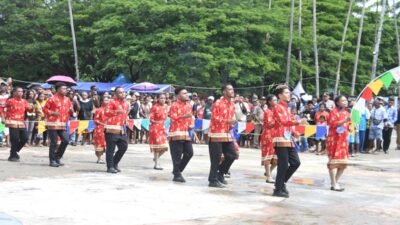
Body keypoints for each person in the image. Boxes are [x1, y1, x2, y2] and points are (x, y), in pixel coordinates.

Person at [272, 85, 307, 198]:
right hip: (279, 138)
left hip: (288, 139)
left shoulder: (287, 108)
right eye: (286, 93)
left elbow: (289, 122)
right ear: (280, 95)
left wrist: (294, 132)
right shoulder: (277, 107)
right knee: (283, 164)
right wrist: (298, 122)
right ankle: (278, 188)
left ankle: (281, 183)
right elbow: (283, 121)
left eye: (289, 93)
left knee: (296, 162)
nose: (289, 95)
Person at [208, 84, 236, 188]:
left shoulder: (232, 104)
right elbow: (215, 118)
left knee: (232, 155)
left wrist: (232, 123)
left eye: (232, 89)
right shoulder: (218, 103)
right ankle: (212, 180)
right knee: (216, 158)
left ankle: (220, 174)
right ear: (224, 92)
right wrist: (227, 121)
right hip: (216, 134)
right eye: (229, 89)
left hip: (227, 134)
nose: (232, 91)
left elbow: (232, 117)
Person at [43, 82, 73, 167]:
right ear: (58, 89)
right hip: (52, 123)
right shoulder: (51, 98)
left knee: (66, 140)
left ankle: (57, 157)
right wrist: (52, 113)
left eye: (66, 88)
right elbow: (45, 109)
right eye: (64, 88)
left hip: (63, 124)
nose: (66, 90)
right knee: (54, 142)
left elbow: (70, 109)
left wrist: (71, 112)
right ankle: (52, 161)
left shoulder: (67, 99)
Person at [168, 87, 194, 183]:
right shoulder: (174, 105)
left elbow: (190, 117)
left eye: (186, 93)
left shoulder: (189, 105)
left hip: (186, 133)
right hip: (175, 133)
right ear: (178, 95)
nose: (186, 95)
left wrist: (191, 123)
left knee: (189, 153)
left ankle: (177, 171)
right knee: (177, 156)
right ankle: (177, 175)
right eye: (184, 93)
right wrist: (184, 117)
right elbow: (173, 118)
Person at [326, 95, 351, 191]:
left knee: (343, 163)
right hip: (334, 139)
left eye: (346, 100)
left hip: (343, 140)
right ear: (337, 102)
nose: (345, 102)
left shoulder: (346, 112)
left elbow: (348, 125)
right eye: (343, 100)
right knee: (333, 162)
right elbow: (332, 124)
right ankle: (334, 183)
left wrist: (350, 126)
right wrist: (344, 121)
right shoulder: (333, 112)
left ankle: (334, 182)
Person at [104, 87, 130, 174]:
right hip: (111, 128)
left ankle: (114, 163)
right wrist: (116, 111)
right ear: (115, 94)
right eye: (120, 92)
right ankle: (110, 167)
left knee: (124, 147)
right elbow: (106, 112)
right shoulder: (111, 102)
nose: (122, 94)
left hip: (121, 129)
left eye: (123, 92)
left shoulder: (126, 103)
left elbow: (125, 114)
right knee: (111, 149)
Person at [3, 87, 33, 161]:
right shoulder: (10, 101)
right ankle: (12, 156)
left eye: (22, 91)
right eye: (19, 91)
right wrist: (3, 118)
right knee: (15, 139)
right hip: (12, 122)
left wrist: (32, 107)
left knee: (25, 137)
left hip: (21, 122)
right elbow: (2, 108)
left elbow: (29, 110)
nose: (21, 93)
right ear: (14, 92)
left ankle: (14, 151)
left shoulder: (24, 101)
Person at [260, 94, 278, 183]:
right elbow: (270, 124)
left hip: (276, 135)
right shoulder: (267, 112)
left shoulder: (277, 111)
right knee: (268, 155)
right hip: (268, 135)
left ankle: (268, 173)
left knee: (276, 158)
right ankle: (268, 177)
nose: (276, 101)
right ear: (270, 102)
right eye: (274, 100)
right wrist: (279, 121)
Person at [149, 93, 169, 170]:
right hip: (155, 129)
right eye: (161, 98)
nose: (163, 99)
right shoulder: (154, 107)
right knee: (157, 147)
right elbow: (151, 119)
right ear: (157, 99)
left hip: (163, 129)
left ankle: (156, 158)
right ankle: (156, 164)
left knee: (165, 147)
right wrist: (157, 122)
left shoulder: (166, 107)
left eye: (164, 98)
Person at [93, 96, 110, 164]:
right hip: (100, 129)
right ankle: (99, 158)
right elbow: (96, 120)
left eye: (108, 100)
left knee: (109, 143)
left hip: (109, 128)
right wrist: (103, 124)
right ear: (102, 101)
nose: (107, 101)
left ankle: (108, 158)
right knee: (100, 143)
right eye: (105, 100)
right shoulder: (99, 110)